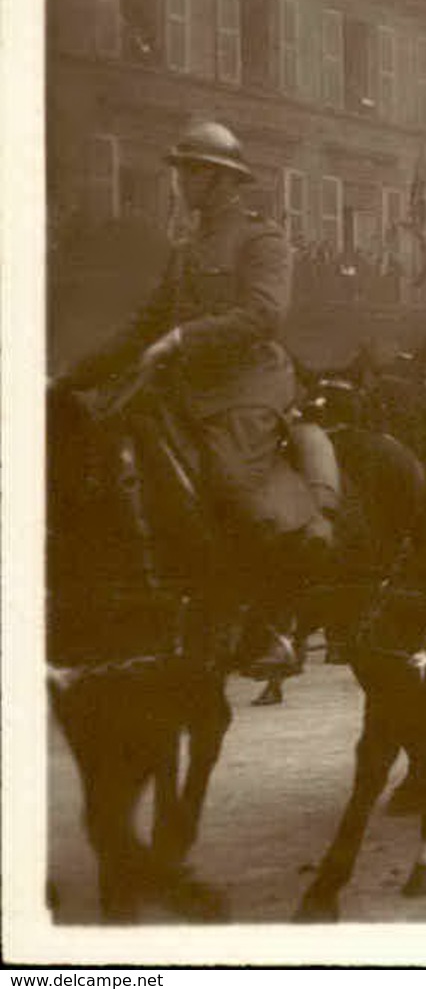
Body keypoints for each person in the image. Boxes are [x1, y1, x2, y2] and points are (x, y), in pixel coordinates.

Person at [53, 120, 335, 677]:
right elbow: (142, 327)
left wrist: (185, 337)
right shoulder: (187, 249)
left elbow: (263, 315)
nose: (179, 183)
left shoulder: (263, 241)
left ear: (220, 181)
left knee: (235, 486)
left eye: (189, 173)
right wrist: (68, 380)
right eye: (181, 172)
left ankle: (269, 625)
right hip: (182, 392)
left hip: (247, 387)